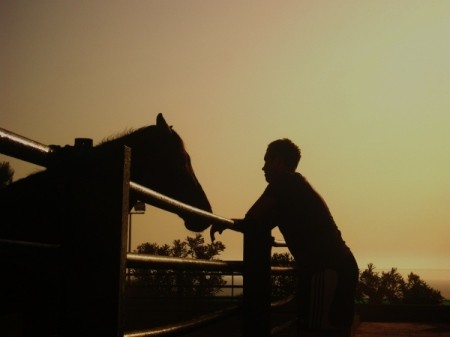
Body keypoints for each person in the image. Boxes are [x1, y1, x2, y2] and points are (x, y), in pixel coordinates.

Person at [211, 138, 358, 336]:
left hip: (326, 269)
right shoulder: (295, 186)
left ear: (278, 161)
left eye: (266, 161)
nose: (263, 168)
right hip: (338, 267)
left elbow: (252, 219)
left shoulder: (283, 183)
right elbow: (259, 222)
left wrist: (224, 223)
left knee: (317, 332)